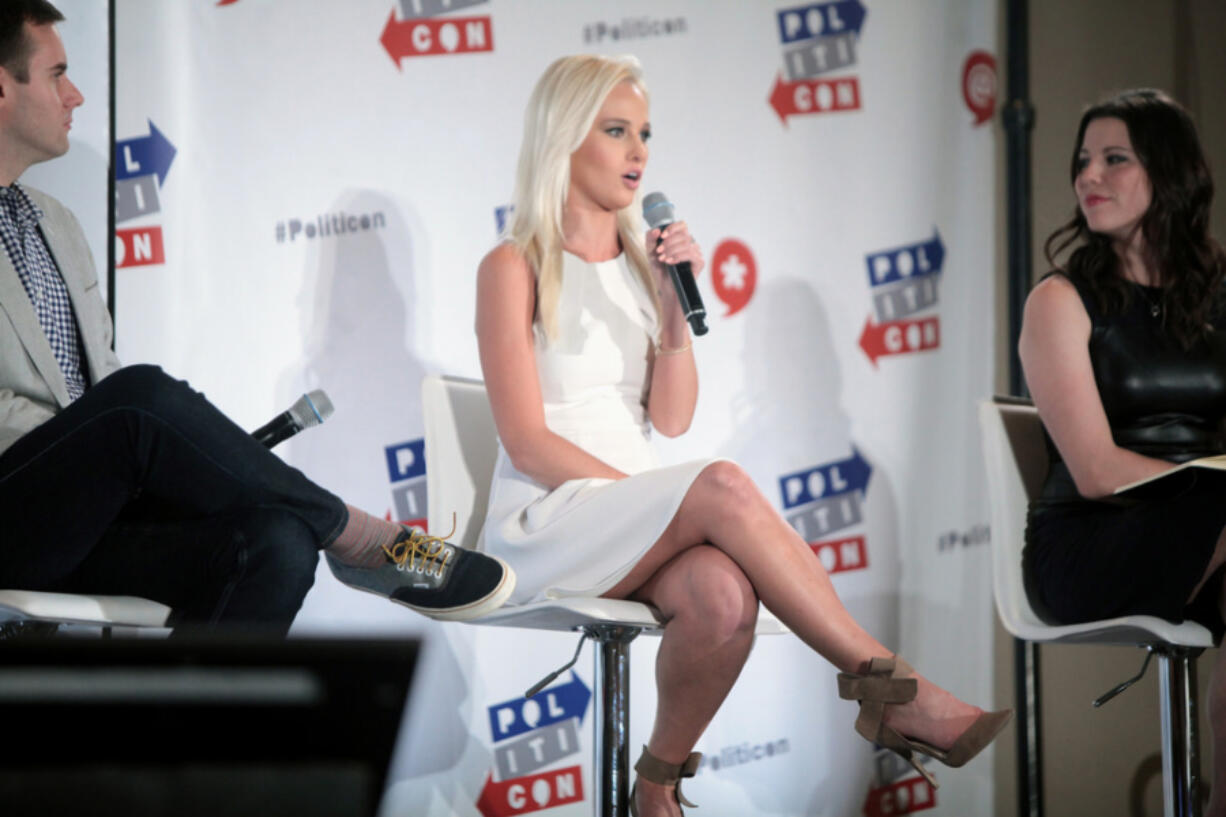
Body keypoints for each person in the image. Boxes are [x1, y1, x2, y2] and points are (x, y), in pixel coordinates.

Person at [475, 54, 1010, 817]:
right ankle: (893, 689)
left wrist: (669, 311)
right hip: (548, 520)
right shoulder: (512, 264)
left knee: (724, 596)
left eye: (645, 134)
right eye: (617, 131)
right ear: (563, 138)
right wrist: (655, 502)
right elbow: (525, 441)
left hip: (629, 520)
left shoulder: (640, 265)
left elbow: (671, 419)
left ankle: (654, 784)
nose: (639, 153)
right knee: (719, 484)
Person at [0, 0, 514, 635]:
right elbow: (94, 410)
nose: (75, 95)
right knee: (137, 402)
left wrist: (142, 469)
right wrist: (105, 444)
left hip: (88, 517)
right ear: (2, 85)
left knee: (277, 541)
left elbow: (93, 382)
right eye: (56, 74)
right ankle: (366, 539)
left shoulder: (57, 221)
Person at [1020, 88, 1226, 814]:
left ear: (1169, 174)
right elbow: (1099, 472)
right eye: (1083, 161)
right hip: (1088, 540)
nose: (1088, 176)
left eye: (1114, 158)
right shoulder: (1060, 300)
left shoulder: (1218, 291)